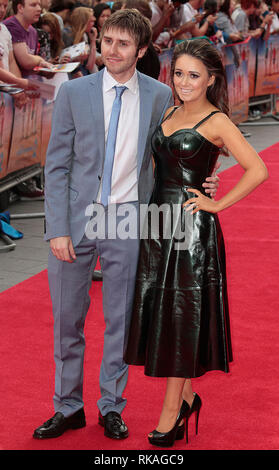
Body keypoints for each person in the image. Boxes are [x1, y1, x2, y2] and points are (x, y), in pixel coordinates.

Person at [33, 10, 219, 441]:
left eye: (122, 44)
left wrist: (206, 175)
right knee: (67, 322)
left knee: (121, 322)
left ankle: (111, 407)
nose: (111, 51)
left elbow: (178, 148)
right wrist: (56, 227)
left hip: (129, 220)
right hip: (77, 221)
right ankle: (68, 407)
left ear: (139, 50)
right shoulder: (74, 92)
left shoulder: (158, 96)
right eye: (107, 42)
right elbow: (56, 165)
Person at [124, 38, 268, 447]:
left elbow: (257, 170)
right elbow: (163, 166)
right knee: (163, 314)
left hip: (191, 232)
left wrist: (216, 202)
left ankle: (171, 413)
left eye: (193, 75)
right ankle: (188, 399)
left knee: (183, 317)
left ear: (211, 79)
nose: (184, 82)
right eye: (179, 73)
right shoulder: (170, 111)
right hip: (157, 227)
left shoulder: (217, 120)